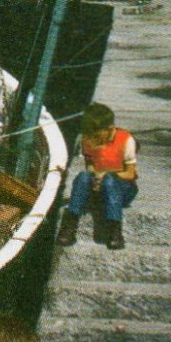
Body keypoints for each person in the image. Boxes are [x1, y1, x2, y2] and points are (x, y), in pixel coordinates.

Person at [56, 102, 137, 250]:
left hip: (122, 187)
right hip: (100, 186)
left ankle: (114, 230)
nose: (95, 140)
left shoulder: (126, 140)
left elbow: (130, 174)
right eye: (91, 136)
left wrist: (107, 174)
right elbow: (90, 165)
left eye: (98, 136)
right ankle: (69, 225)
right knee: (83, 176)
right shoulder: (88, 139)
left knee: (110, 181)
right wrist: (95, 176)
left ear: (110, 129)